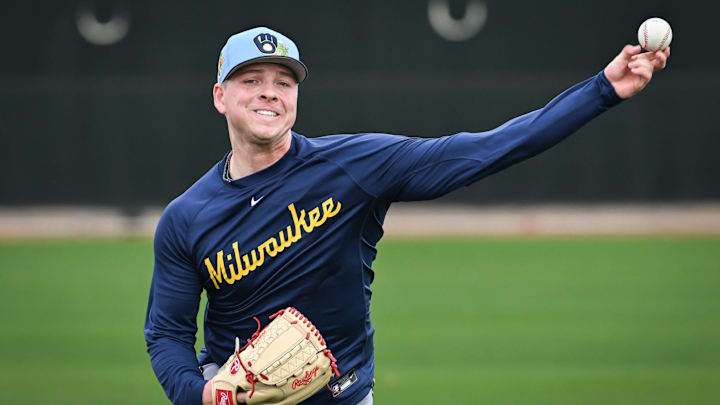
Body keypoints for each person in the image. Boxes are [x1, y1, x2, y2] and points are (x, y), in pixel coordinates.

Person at [144, 26, 670, 405]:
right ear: (220, 97)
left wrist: (603, 90)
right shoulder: (188, 217)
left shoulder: (351, 167)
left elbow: (489, 149)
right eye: (251, 80)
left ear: (297, 96)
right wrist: (200, 396)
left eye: (283, 81)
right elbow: (167, 333)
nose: (269, 92)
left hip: (343, 397)